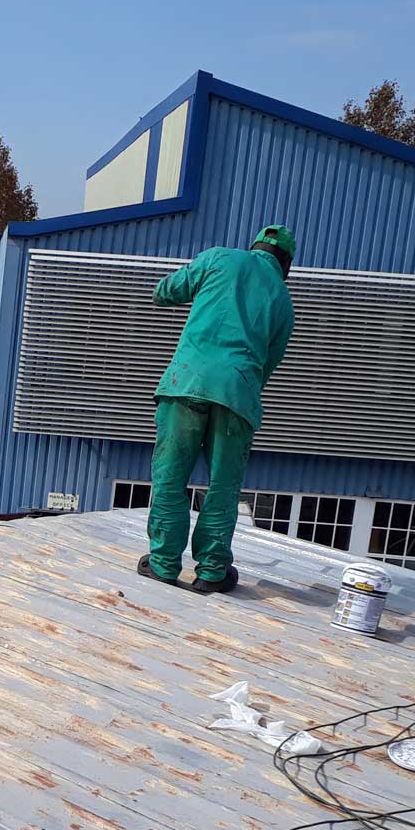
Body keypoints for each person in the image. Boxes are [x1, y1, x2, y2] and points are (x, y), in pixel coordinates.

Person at [137, 224, 295, 594]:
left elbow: (165, 291)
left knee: (170, 477)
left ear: (255, 246)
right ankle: (211, 572)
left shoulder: (218, 258)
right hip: (237, 394)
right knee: (223, 486)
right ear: (285, 263)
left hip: (186, 382)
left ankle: (162, 564)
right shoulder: (284, 302)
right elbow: (267, 366)